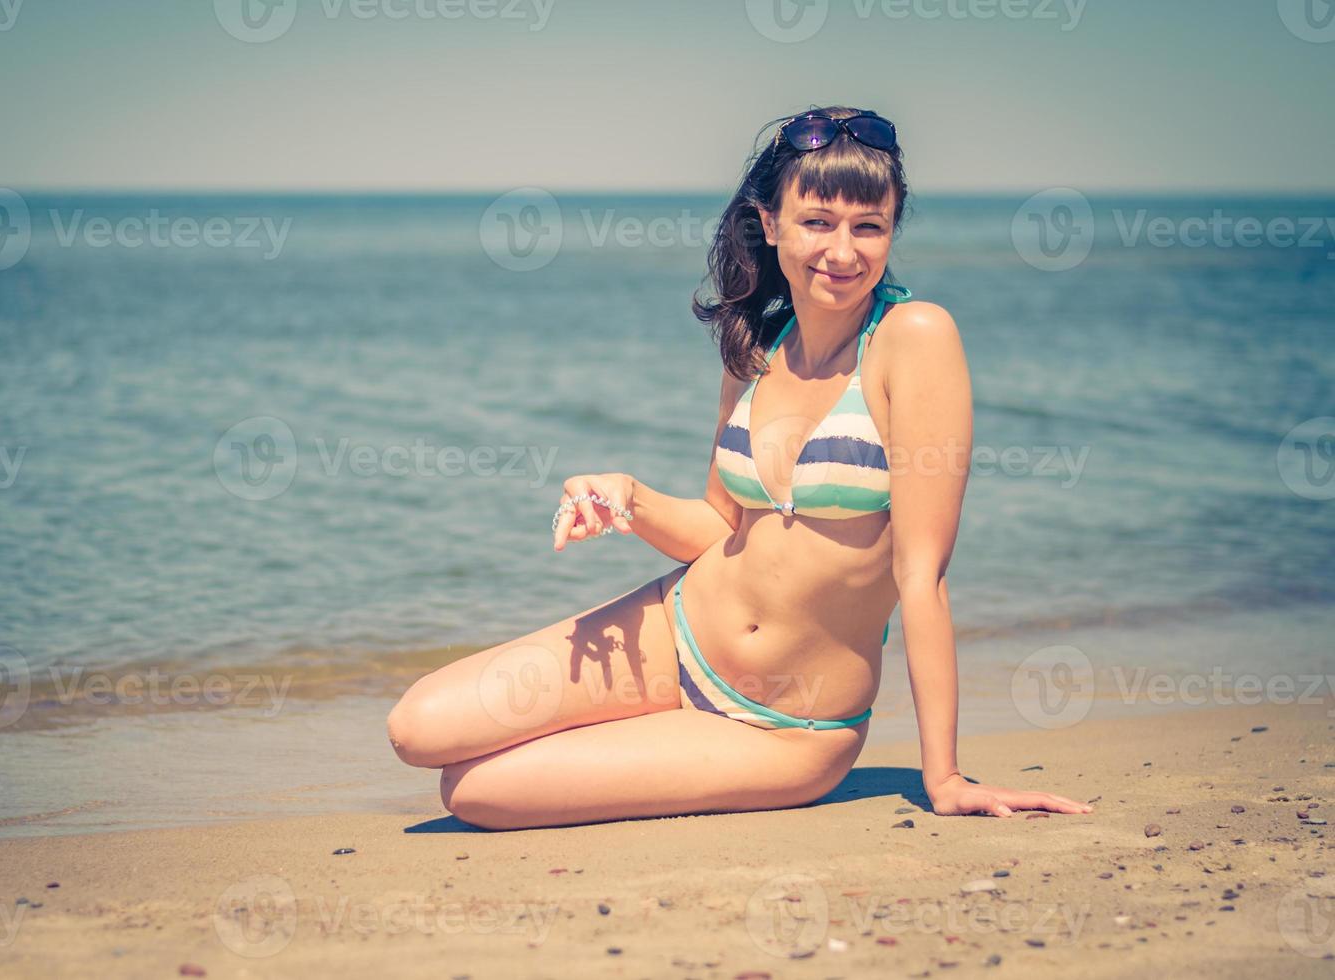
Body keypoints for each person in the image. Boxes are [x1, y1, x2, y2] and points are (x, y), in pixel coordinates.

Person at [386, 105, 1092, 830]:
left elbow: (923, 578)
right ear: (772, 222)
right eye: (818, 221)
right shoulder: (757, 345)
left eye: (868, 226)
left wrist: (942, 777)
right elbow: (719, 525)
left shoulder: (913, 340)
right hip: (676, 627)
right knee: (419, 727)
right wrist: (626, 497)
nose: (843, 251)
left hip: (782, 728)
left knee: (474, 794)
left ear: (891, 232)